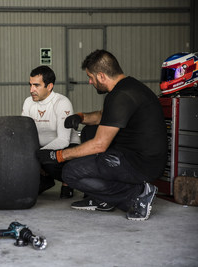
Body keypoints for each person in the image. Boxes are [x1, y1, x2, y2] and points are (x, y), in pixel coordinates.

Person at [37, 50, 167, 221]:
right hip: (144, 156)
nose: (90, 81)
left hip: (142, 164)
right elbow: (103, 117)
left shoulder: (120, 96)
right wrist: (81, 117)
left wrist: (58, 155)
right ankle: (104, 198)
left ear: (101, 76)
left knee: (70, 172)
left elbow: (100, 145)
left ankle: (136, 195)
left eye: (91, 77)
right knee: (88, 131)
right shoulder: (129, 86)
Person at [22, 66, 80, 198]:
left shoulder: (62, 103)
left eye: (36, 85)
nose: (31, 90)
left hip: (66, 147)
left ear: (49, 86)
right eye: (30, 85)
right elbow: (24, 132)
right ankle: (45, 180)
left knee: (47, 159)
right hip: (41, 148)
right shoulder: (28, 102)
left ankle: (68, 182)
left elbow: (63, 140)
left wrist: (38, 156)